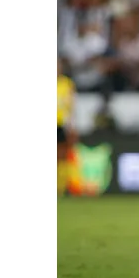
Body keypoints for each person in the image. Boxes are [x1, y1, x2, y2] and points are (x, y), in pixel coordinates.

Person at [57, 57, 76, 195]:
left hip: (60, 124)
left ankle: (60, 187)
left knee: (62, 156)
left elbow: (70, 107)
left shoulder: (67, 84)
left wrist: (71, 126)